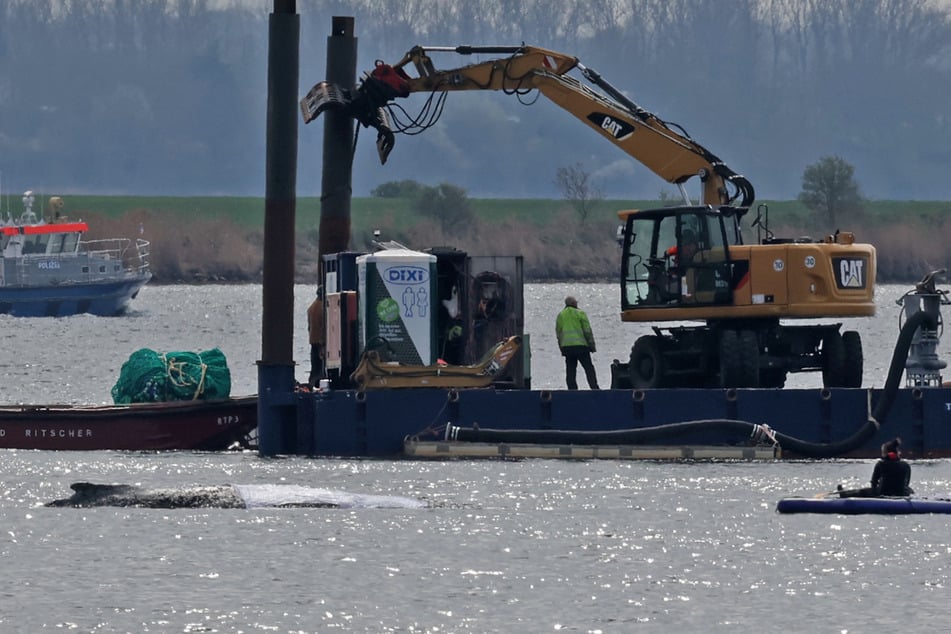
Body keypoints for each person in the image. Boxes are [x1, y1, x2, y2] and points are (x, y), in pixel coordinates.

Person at [839, 437, 913, 497]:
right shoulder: (906, 465)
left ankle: (845, 494)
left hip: (883, 493)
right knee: (910, 490)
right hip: (901, 493)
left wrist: (874, 490)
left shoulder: (881, 464)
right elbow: (906, 484)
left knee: (863, 491)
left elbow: (874, 483)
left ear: (886, 453)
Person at [555, 295, 600, 390]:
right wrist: (592, 346)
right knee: (588, 368)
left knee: (570, 370)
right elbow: (587, 331)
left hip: (567, 348)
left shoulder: (560, 315)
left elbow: (558, 333)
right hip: (581, 346)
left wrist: (561, 348)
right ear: (574, 303)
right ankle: (594, 388)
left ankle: (572, 390)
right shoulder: (580, 313)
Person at [307, 286, 325, 388]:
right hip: (320, 341)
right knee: (320, 365)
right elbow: (323, 326)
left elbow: (309, 326)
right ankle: (318, 383)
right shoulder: (323, 307)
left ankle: (312, 383)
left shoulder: (311, 308)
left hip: (313, 339)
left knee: (314, 366)